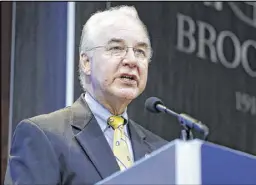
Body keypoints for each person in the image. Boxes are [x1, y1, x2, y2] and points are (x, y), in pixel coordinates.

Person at [5, 5, 168, 185]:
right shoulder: (44, 136)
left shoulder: (161, 151)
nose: (131, 60)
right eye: (116, 48)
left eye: (140, 52)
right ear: (86, 62)